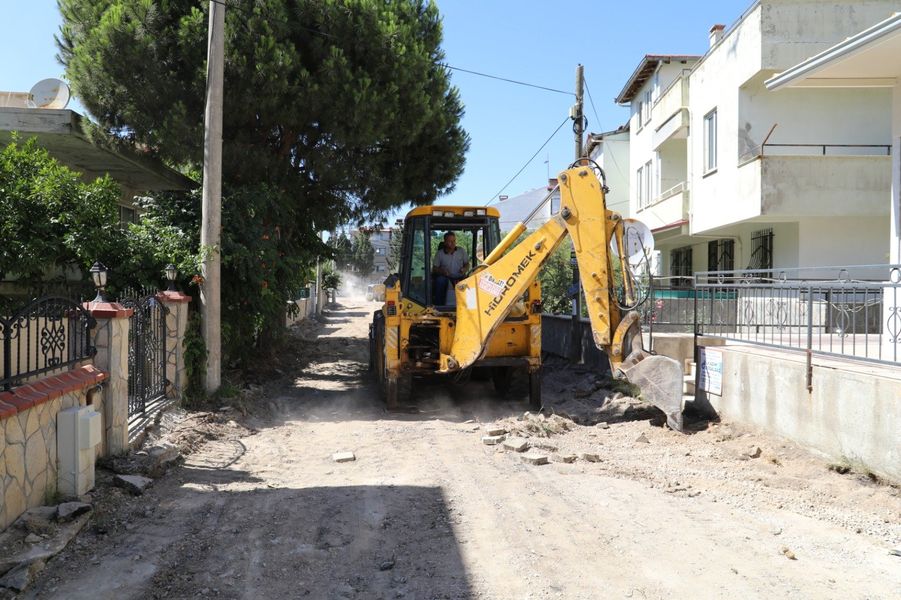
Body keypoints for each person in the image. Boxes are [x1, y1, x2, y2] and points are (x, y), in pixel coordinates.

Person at [432, 231, 469, 305]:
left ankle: (468, 305)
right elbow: (435, 268)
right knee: (440, 281)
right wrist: (442, 271)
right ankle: (439, 306)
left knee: (470, 282)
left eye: (454, 241)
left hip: (460, 277)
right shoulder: (439, 253)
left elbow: (467, 264)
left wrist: (464, 269)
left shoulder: (461, 251)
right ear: (445, 242)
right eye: (450, 241)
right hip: (446, 277)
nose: (453, 243)